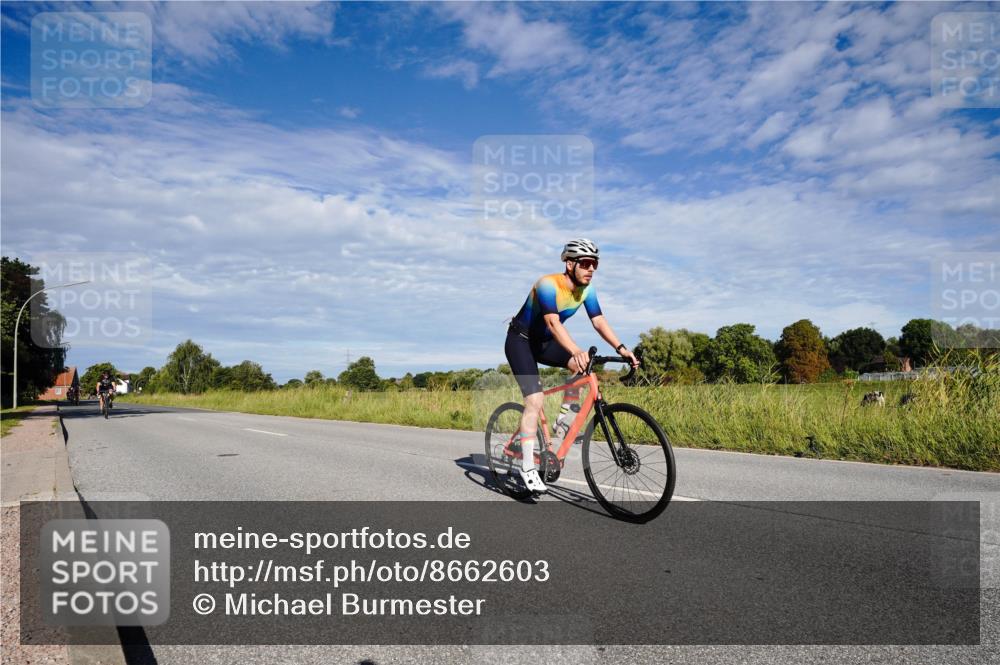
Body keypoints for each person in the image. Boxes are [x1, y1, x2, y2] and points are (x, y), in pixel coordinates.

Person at [505, 238, 639, 493]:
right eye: (586, 263)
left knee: (582, 367)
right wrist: (575, 349)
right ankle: (526, 467)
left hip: (544, 343)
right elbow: (554, 323)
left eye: (595, 264)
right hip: (520, 341)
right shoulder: (547, 285)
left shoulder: (587, 290)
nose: (591, 269)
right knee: (534, 400)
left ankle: (564, 421)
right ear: (569, 263)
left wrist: (622, 349)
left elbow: (599, 321)